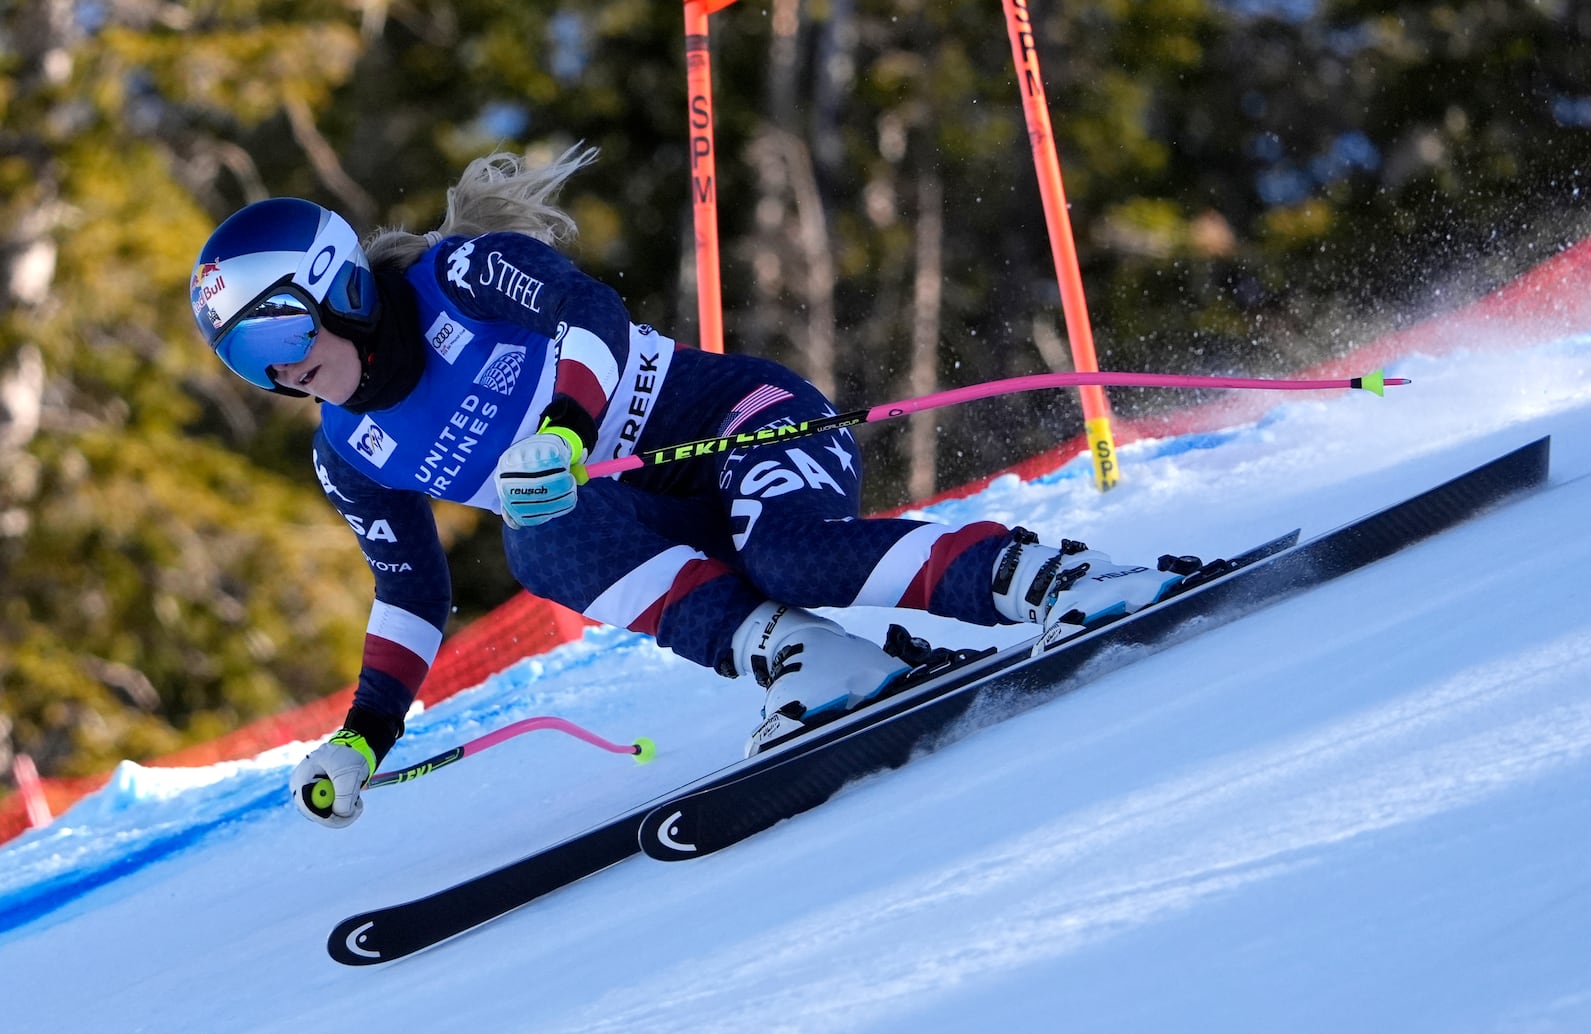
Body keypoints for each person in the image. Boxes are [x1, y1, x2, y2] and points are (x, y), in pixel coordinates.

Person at [188, 146, 1185, 828]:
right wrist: (361, 736)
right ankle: (811, 660)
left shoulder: (463, 274)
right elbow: (411, 593)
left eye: (278, 335)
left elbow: (592, 318)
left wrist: (567, 430)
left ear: (340, 288)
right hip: (653, 516)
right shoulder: (348, 447)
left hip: (733, 418)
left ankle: (1053, 577)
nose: (277, 373)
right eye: (244, 359)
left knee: (789, 548)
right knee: (539, 542)